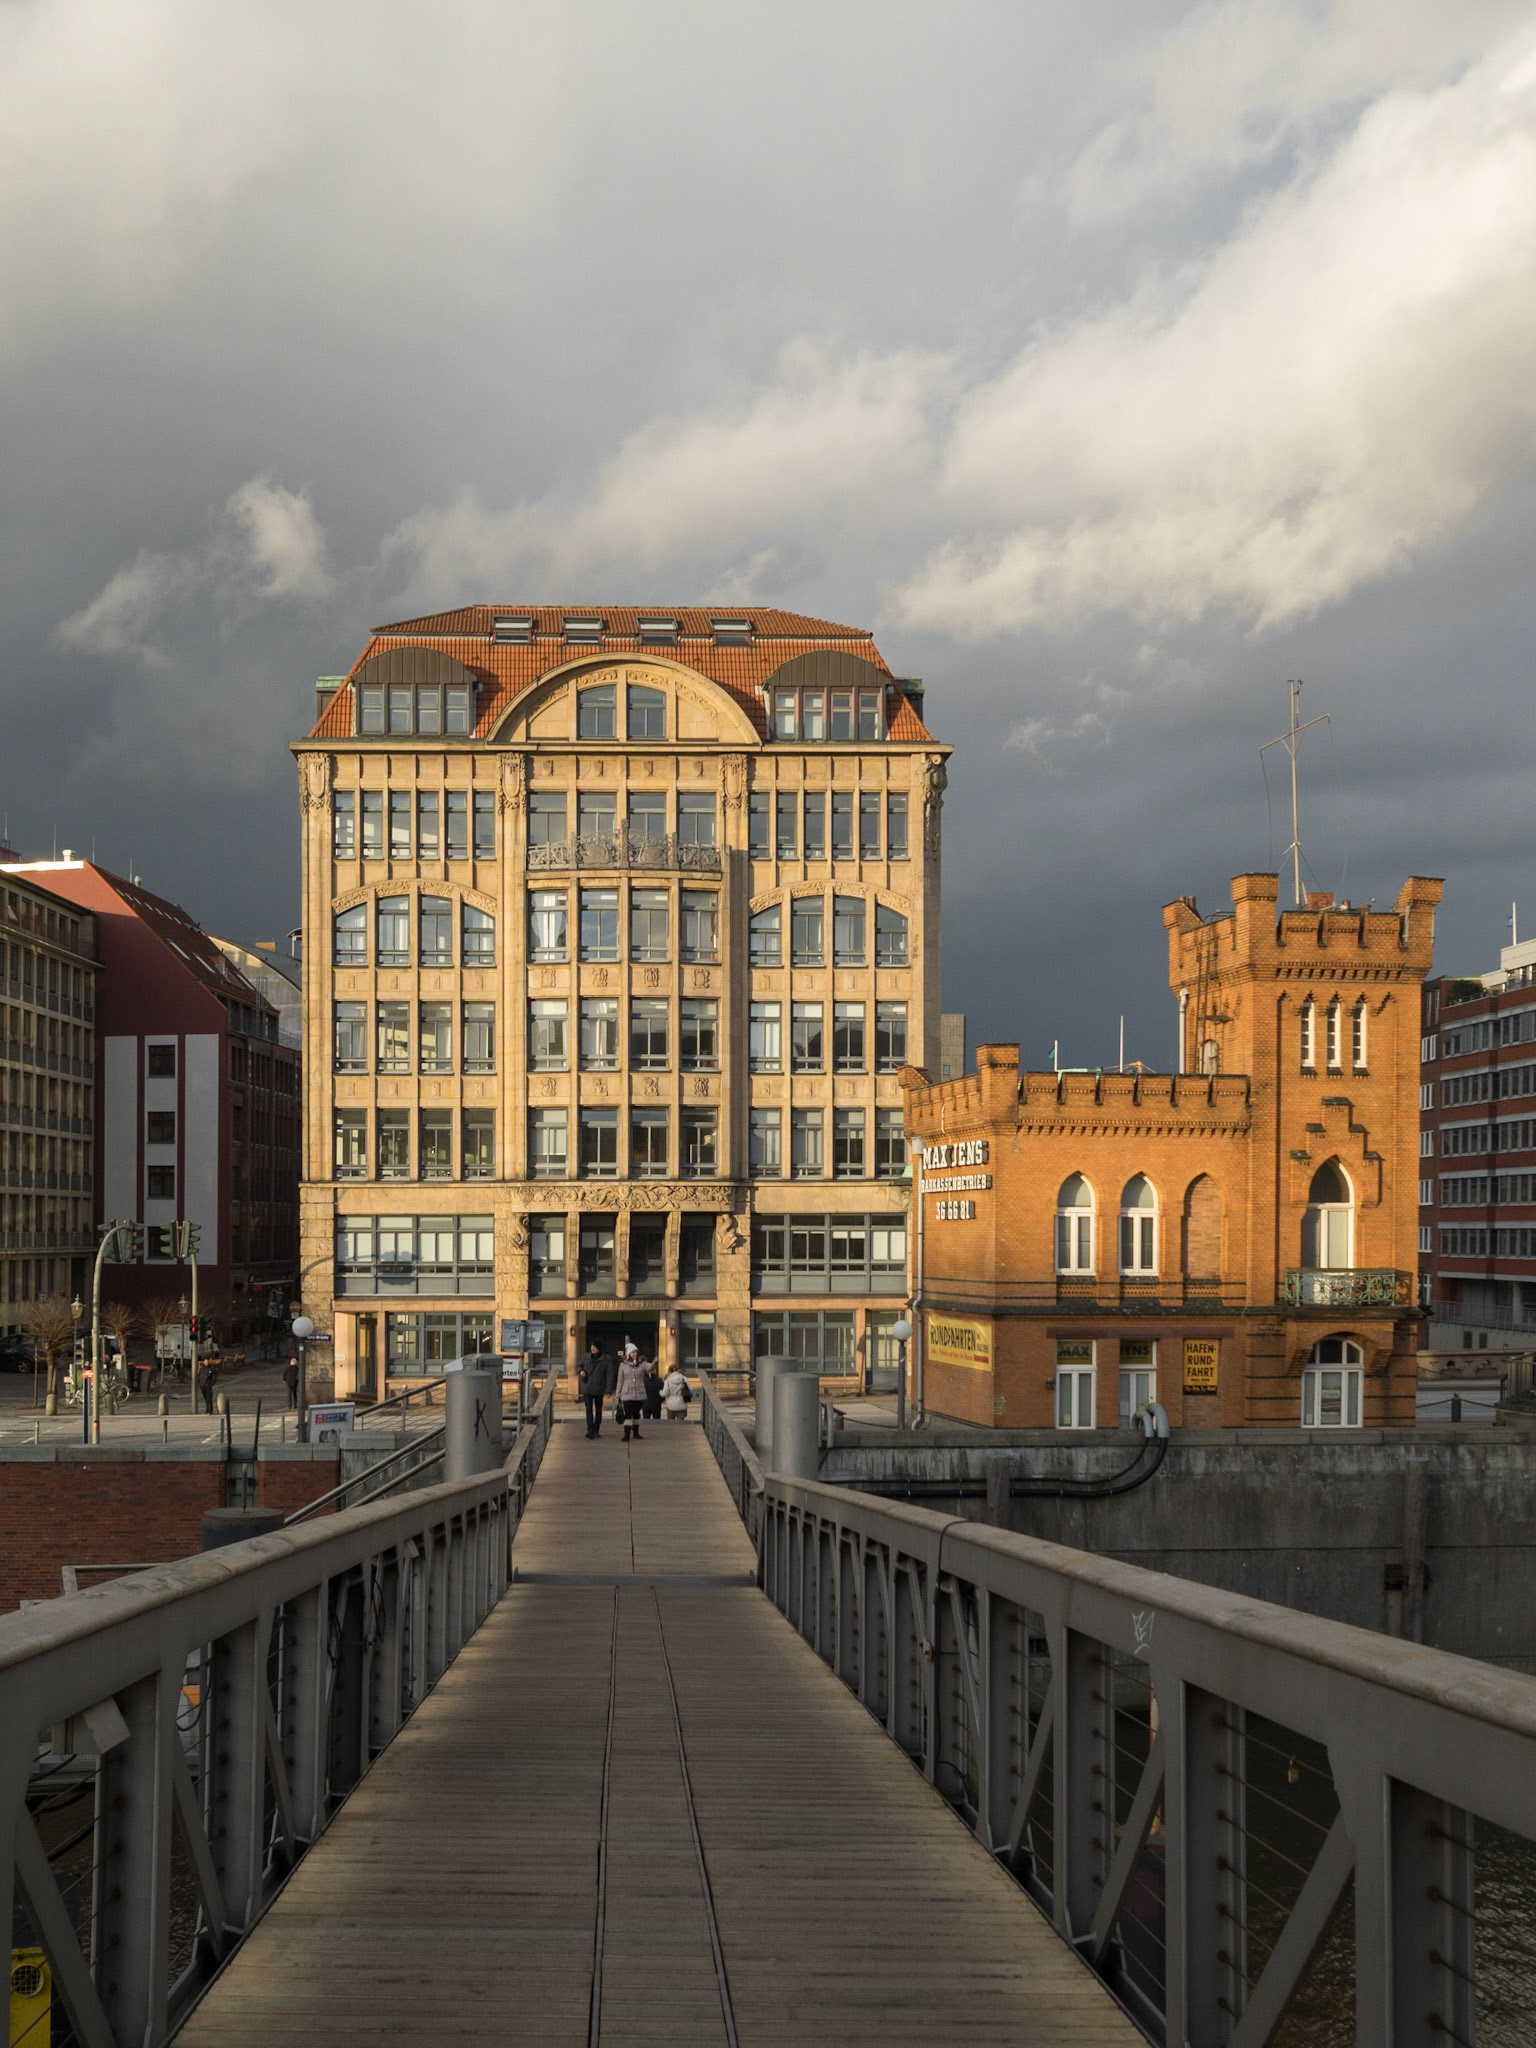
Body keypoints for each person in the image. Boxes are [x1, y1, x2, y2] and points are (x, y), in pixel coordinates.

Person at [578, 1341, 616, 1439]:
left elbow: (609, 1375)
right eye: (592, 1347)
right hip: (587, 1387)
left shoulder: (606, 1359)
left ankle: (596, 1429)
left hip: (599, 1388)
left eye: (594, 1347)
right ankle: (590, 1430)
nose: (592, 1349)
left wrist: (608, 1389)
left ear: (599, 1348)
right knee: (588, 1409)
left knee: (598, 1410)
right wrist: (581, 1371)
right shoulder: (586, 1356)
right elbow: (579, 1366)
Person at [616, 1348, 647, 1441]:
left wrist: (653, 1362)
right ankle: (626, 1434)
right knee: (628, 1414)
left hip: (638, 1394)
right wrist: (618, 1395)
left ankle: (636, 1433)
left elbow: (649, 1369)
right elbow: (620, 1381)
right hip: (626, 1393)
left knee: (636, 1414)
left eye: (636, 1352)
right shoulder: (623, 1365)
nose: (635, 1354)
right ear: (629, 1353)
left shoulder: (641, 1364)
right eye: (633, 1352)